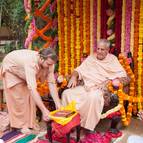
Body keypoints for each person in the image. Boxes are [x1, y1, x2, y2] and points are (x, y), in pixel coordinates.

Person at [62, 39, 129, 131]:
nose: (99, 51)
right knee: (66, 93)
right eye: (98, 49)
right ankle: (69, 122)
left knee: (93, 97)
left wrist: (107, 82)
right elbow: (78, 70)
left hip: (100, 89)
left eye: (102, 49)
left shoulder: (112, 59)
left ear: (107, 50)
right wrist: (74, 77)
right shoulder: (91, 58)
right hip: (85, 87)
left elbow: (123, 76)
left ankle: (86, 127)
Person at [0, 48, 61, 133]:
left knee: (30, 98)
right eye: (48, 64)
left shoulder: (50, 63)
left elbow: (51, 83)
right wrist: (44, 110)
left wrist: (58, 103)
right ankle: (19, 126)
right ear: (41, 58)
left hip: (23, 70)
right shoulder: (30, 63)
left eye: (51, 64)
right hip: (12, 69)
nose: (50, 66)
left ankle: (30, 124)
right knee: (19, 98)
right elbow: (32, 88)